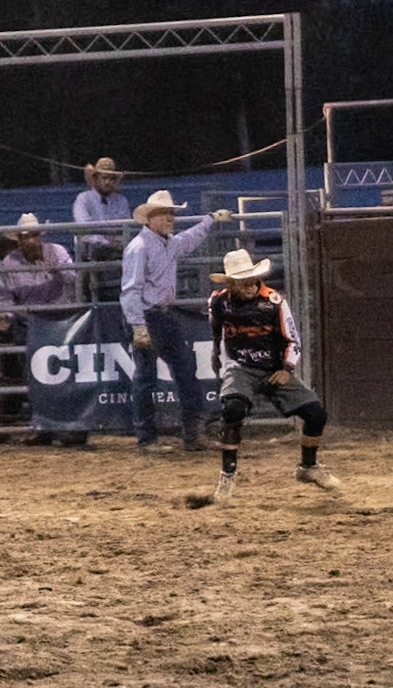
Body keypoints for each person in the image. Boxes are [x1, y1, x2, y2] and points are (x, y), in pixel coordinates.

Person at [208, 248, 338, 502]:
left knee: (316, 413)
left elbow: (292, 339)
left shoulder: (274, 302)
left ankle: (308, 467)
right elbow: (215, 329)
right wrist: (216, 353)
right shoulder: (218, 301)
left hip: (273, 367)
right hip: (240, 365)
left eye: (251, 278)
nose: (248, 284)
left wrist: (286, 368)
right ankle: (227, 477)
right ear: (231, 282)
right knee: (233, 409)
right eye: (241, 280)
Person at [120, 191, 234, 452]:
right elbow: (130, 290)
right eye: (165, 213)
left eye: (171, 213)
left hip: (163, 314)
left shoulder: (166, 243)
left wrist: (210, 220)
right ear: (150, 218)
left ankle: (191, 435)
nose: (170, 218)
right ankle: (149, 439)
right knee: (148, 377)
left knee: (182, 372)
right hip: (149, 316)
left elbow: (188, 239)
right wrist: (138, 325)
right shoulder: (139, 248)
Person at [0, 214, 82, 445]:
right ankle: (44, 425)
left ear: (40, 236)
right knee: (34, 375)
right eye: (26, 236)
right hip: (29, 323)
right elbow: (5, 297)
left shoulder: (57, 252)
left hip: (60, 321)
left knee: (66, 374)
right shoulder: (9, 262)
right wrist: (7, 314)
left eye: (34, 235)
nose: (31, 241)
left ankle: (71, 427)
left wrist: (55, 268)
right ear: (19, 239)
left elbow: (74, 278)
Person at [73, 157, 131, 299]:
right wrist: (109, 243)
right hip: (91, 250)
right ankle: (88, 301)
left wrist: (117, 243)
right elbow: (85, 229)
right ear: (95, 178)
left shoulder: (121, 201)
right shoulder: (83, 199)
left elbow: (125, 228)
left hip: (115, 249)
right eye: (104, 178)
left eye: (112, 179)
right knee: (93, 249)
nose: (108, 182)